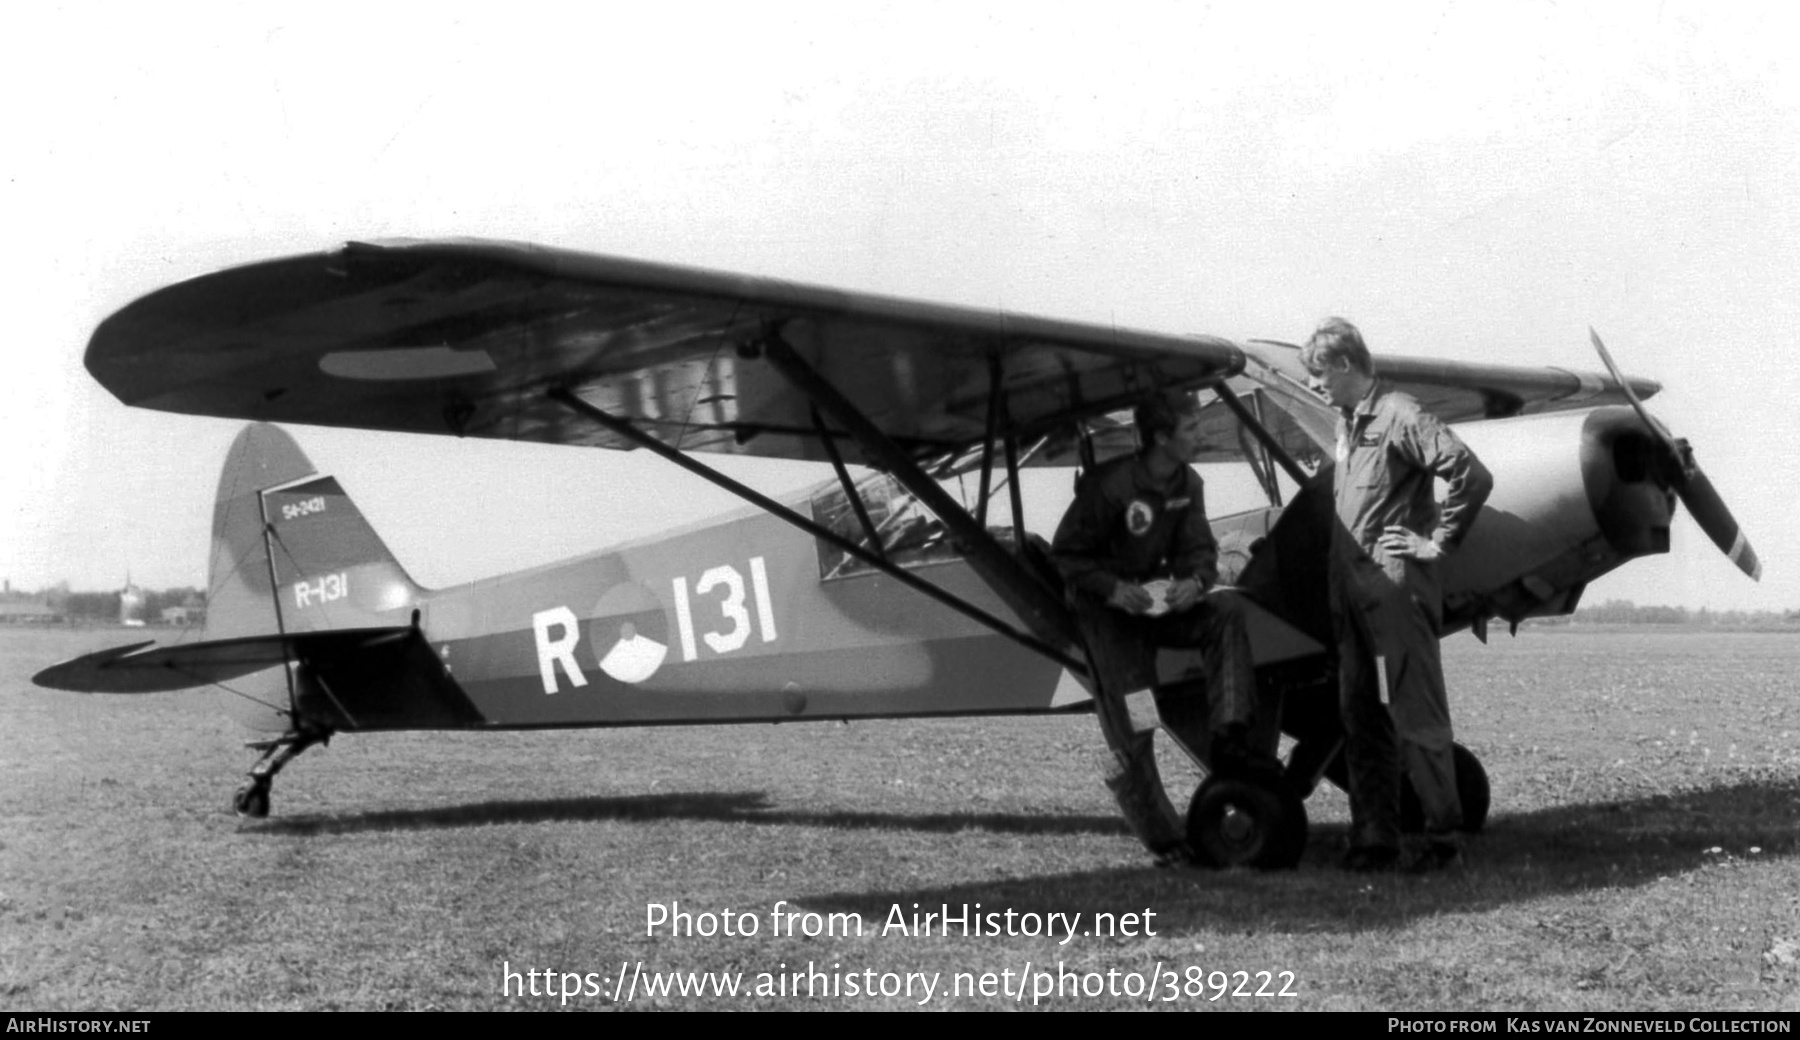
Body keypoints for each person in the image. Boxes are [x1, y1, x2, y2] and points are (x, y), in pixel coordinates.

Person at [1301, 318, 1493, 873]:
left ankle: (1442, 841)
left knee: (1414, 711)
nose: (1313, 387)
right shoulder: (1347, 426)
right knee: (1359, 714)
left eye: (1317, 376)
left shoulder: (1399, 415)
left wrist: (1438, 542)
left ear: (1343, 365)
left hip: (1393, 592)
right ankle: (1374, 838)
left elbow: (1468, 472)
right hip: (1351, 597)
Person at [1051, 389, 1279, 801]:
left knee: (1225, 610)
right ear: (1161, 437)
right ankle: (1161, 836)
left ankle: (1230, 741)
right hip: (1108, 618)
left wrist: (1194, 583)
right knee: (1138, 718)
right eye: (1191, 427)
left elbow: (1199, 552)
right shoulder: (1110, 487)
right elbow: (1065, 554)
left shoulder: (1188, 482)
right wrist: (1113, 589)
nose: (1201, 434)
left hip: (1152, 605)